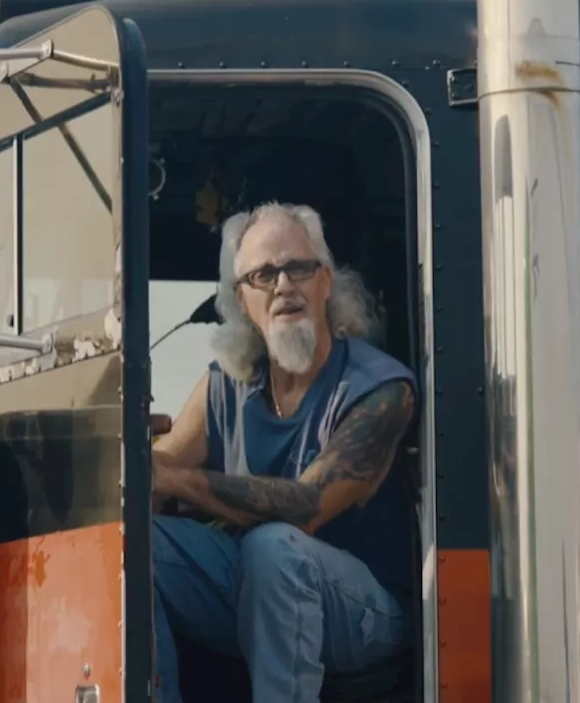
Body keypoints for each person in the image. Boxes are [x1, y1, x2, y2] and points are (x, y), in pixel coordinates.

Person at [151, 201, 418, 703]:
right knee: (136, 544)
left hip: (364, 616)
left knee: (274, 546)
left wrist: (176, 481)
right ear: (241, 301)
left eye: (298, 267)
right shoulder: (222, 388)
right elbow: (157, 470)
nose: (283, 285)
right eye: (263, 274)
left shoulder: (381, 387)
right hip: (259, 588)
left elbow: (309, 507)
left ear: (326, 281)